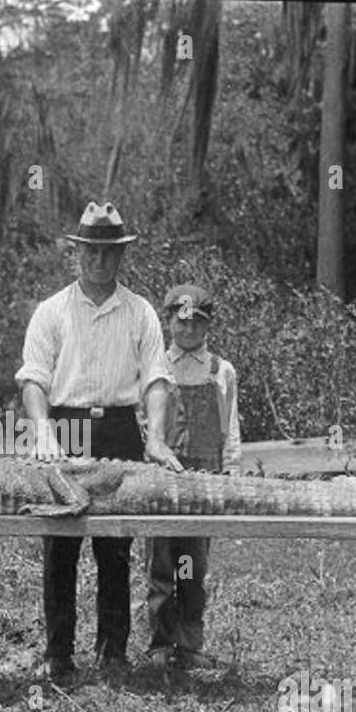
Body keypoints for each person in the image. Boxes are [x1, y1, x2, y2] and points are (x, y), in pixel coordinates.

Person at [16, 202, 181, 684]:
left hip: (117, 429)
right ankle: (58, 653)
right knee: (60, 546)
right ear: (77, 252)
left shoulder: (140, 312)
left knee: (115, 545)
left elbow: (156, 379)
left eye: (109, 252)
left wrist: (155, 437)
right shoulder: (51, 311)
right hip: (65, 428)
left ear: (120, 256)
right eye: (91, 251)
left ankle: (113, 653)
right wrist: (42, 430)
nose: (99, 261)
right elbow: (33, 380)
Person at [145, 284, 242, 670]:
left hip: (205, 476)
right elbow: (146, 422)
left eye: (196, 324)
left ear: (208, 326)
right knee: (162, 560)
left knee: (192, 561)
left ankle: (189, 642)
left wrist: (231, 470)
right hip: (164, 476)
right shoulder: (157, 369)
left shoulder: (221, 372)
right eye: (181, 323)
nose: (188, 332)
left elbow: (230, 426)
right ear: (168, 321)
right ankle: (159, 642)